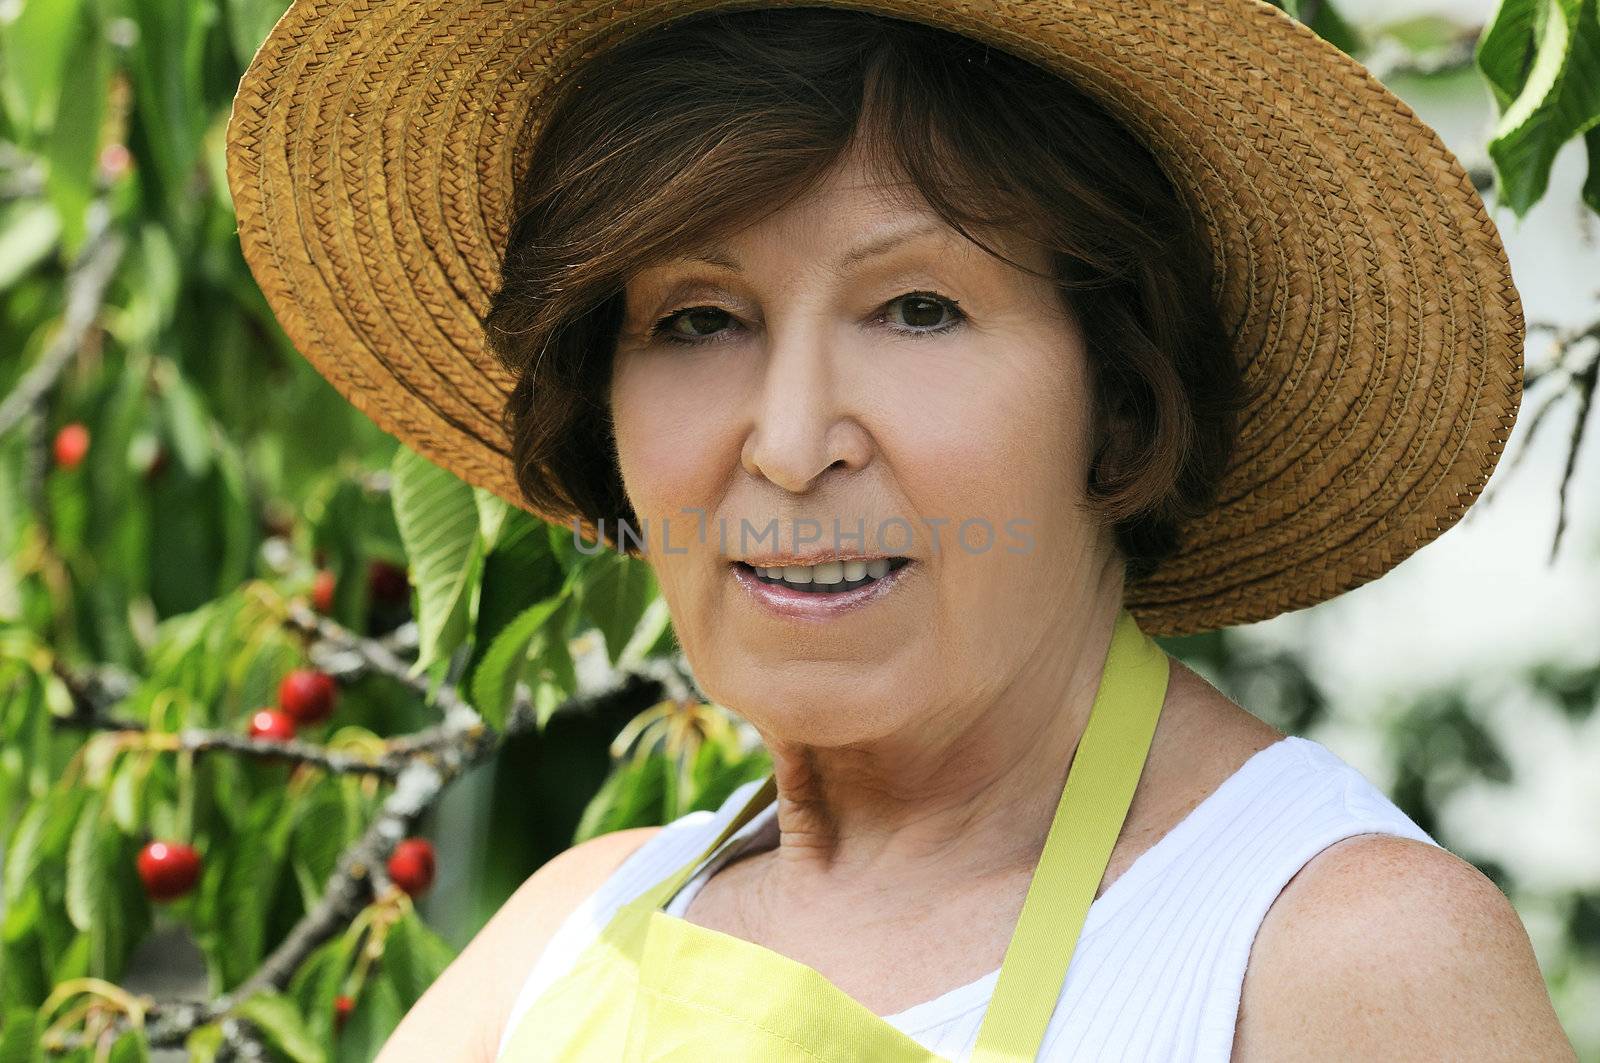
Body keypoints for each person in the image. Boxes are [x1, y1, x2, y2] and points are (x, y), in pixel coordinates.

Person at [225, 2, 1576, 1059]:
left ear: (1116, 398)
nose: (793, 440)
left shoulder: (1328, 950)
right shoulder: (567, 936)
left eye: (918, 308)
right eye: (698, 319)